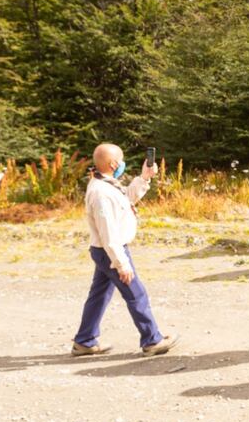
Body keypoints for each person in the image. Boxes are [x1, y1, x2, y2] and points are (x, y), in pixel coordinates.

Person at [72, 144, 178, 357]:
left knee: (99, 295)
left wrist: (144, 178)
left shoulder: (106, 184)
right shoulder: (101, 192)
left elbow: (126, 199)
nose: (122, 163)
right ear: (113, 164)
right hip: (110, 250)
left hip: (106, 250)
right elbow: (108, 232)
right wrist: (121, 263)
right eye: (121, 160)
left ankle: (85, 340)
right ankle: (152, 340)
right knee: (136, 293)